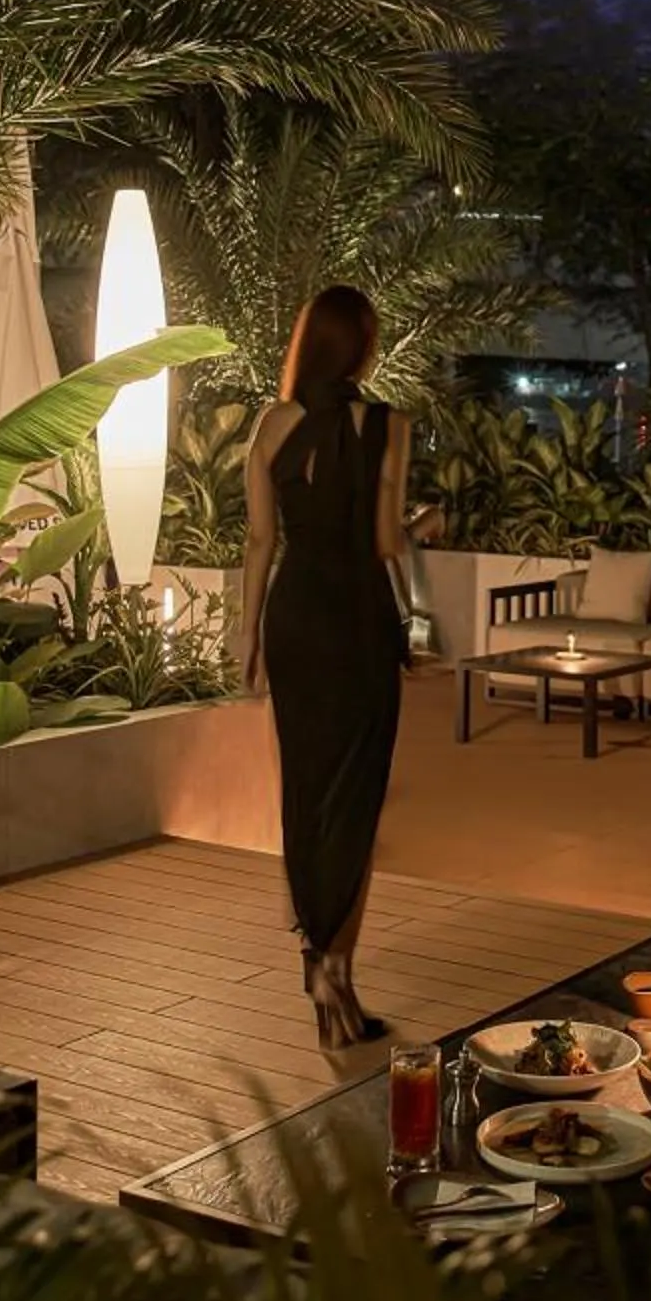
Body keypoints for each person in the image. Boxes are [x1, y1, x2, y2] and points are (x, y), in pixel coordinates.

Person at [238, 285, 414, 1049]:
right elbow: (384, 543)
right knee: (356, 799)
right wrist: (419, 538)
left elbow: (258, 543)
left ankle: (319, 958)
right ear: (364, 349)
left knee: (306, 792)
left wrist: (245, 636)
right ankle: (336, 966)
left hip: (296, 620)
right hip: (360, 624)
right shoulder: (389, 427)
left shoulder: (272, 427)